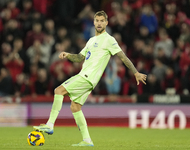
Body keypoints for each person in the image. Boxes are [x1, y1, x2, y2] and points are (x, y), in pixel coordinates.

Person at [33, 10, 147, 147]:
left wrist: (135, 72)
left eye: (102, 21)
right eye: (97, 20)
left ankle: (50, 125)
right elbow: (79, 58)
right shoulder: (91, 40)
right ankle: (87, 140)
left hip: (87, 77)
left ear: (106, 22)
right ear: (93, 22)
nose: (99, 23)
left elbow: (123, 57)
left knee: (58, 91)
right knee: (75, 107)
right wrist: (68, 55)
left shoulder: (109, 40)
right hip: (88, 79)